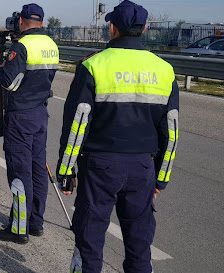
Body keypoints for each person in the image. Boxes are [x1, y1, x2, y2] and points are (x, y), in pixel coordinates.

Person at [56, 1, 179, 272]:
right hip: (142, 169)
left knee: (89, 242)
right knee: (139, 246)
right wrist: (161, 178)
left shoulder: (93, 66)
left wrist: (65, 170)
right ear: (144, 28)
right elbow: (171, 132)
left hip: (100, 167)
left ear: (112, 28)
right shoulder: (164, 70)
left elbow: (77, 124)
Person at [0, 3, 59, 244]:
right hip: (40, 113)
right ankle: (35, 222)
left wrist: (1, 67)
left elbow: (8, 82)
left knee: (20, 174)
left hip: (20, 115)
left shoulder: (22, 47)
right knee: (37, 168)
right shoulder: (51, 45)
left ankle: (18, 229)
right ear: (41, 21)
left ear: (21, 20)